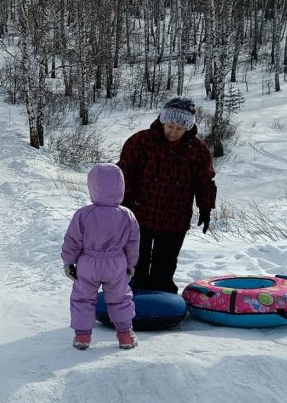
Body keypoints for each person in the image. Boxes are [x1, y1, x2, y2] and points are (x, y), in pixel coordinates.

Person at [116, 97, 217, 294]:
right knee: (137, 263)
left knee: (165, 264)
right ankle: (131, 300)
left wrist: (205, 207)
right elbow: (124, 173)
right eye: (170, 126)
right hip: (140, 215)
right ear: (163, 121)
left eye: (180, 128)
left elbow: (204, 180)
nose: (174, 132)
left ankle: (163, 301)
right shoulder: (141, 141)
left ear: (188, 127)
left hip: (175, 218)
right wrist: (122, 203)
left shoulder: (197, 150)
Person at [62, 163, 140, 350]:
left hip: (88, 263)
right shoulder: (127, 215)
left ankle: (82, 336)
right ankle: (125, 335)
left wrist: (68, 262)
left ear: (93, 187)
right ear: (120, 186)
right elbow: (133, 242)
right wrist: (131, 263)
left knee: (83, 298)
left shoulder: (84, 214)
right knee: (120, 298)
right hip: (116, 263)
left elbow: (73, 240)